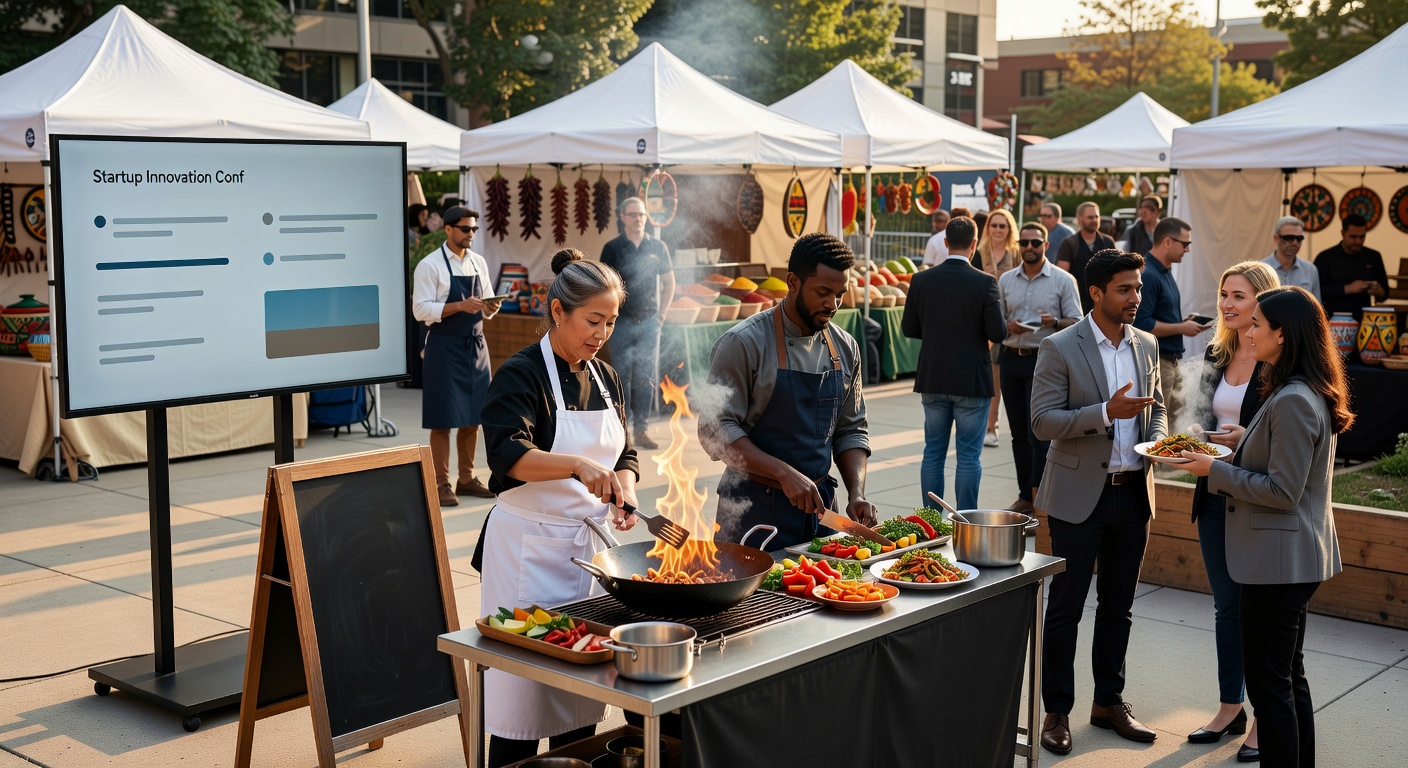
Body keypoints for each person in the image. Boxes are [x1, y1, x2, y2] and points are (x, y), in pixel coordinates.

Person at [476, 249, 640, 768]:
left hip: (585, 552)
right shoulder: (521, 374)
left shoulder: (608, 378)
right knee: (520, 698)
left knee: (578, 694)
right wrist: (575, 465)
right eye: (593, 321)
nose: (602, 334)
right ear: (557, 312)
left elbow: (626, 453)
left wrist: (625, 489)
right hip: (526, 550)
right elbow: (506, 455)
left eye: (611, 322)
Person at [1181, 285, 1353, 768]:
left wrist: (1213, 470)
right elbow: (1282, 462)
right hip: (1288, 558)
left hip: (1279, 562)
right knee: (1287, 676)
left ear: (1284, 333)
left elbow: (1282, 491)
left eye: (1258, 324)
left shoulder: (1294, 398)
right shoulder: (1295, 389)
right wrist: (1243, 441)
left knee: (1270, 686)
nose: (1249, 331)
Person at [1031, 249, 1167, 756]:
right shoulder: (1060, 347)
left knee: (1119, 607)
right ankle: (1057, 711)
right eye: (1125, 289)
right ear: (1096, 293)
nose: (1135, 298)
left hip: (1134, 494)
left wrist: (1158, 443)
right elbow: (1042, 422)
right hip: (1076, 497)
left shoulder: (1147, 344)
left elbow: (1158, 411)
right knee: (1066, 609)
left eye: (1137, 288)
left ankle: (1109, 702)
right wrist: (1104, 414)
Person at [699, 233, 876, 549]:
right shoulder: (743, 343)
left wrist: (856, 492)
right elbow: (714, 430)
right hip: (751, 512)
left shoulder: (846, 347)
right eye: (823, 293)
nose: (832, 305)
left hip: (822, 514)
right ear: (792, 282)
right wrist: (782, 472)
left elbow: (852, 429)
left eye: (840, 295)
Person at [1183, 261, 1280, 758]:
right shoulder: (1218, 352)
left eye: (1239, 296)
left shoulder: (1280, 358)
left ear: (1261, 300)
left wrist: (1242, 444)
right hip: (1215, 496)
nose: (1227, 305)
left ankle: (1265, 717)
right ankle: (1229, 705)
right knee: (1226, 609)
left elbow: (1281, 440)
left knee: (1258, 613)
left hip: (1256, 499)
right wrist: (1186, 442)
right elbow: (1200, 417)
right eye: (1224, 295)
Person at [902, 216, 1004, 510]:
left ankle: (932, 521)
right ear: (974, 245)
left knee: (933, 452)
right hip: (971, 378)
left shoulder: (921, 280)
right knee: (969, 456)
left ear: (945, 243)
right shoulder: (985, 282)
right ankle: (966, 519)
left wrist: (936, 334)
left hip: (933, 374)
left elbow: (909, 328)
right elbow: (998, 333)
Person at [412, 206, 502, 506]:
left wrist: (492, 307)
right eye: (465, 229)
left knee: (473, 417)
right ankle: (440, 483)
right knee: (442, 419)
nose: (471, 234)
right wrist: (459, 307)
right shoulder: (430, 265)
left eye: (474, 229)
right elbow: (420, 310)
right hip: (444, 347)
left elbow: (486, 300)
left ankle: (466, 479)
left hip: (475, 346)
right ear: (448, 229)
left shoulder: (478, 261)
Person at [997, 221, 1082, 513]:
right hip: (1012, 357)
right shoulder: (1006, 279)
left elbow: (1077, 322)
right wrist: (1005, 325)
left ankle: (1041, 495)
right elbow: (997, 321)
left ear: (1047, 245)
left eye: (1035, 242)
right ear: (1018, 246)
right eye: (1024, 243)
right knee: (1018, 433)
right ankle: (1025, 495)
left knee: (1040, 434)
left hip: (1044, 361)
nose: (1029, 248)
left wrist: (1053, 322)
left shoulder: (1062, 280)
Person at [600, 196, 675, 449]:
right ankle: (622, 431)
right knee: (621, 377)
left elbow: (669, 282)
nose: (638, 219)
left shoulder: (658, 247)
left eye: (642, 215)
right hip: (621, 323)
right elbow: (603, 287)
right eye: (633, 214)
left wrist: (661, 316)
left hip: (649, 322)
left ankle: (641, 429)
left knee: (646, 378)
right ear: (623, 217)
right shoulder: (612, 248)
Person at [1133, 217, 1208, 425]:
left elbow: (1157, 317)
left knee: (1174, 424)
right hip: (1159, 362)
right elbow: (1141, 324)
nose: (1187, 250)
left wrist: (1182, 323)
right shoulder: (1149, 275)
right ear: (1167, 241)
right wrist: (1182, 327)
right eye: (1185, 244)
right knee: (1159, 425)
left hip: (1171, 361)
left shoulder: (1162, 271)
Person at [973, 209, 1021, 448]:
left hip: (1014, 321)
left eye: (1003, 226)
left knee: (999, 376)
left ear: (1009, 229)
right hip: (985, 320)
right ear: (988, 228)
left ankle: (993, 425)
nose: (998, 230)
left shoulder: (1017, 253)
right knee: (990, 377)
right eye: (994, 226)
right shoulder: (979, 253)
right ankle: (987, 425)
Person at [1315, 213, 1388, 320]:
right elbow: (1316, 292)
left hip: (1365, 321)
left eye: (1362, 236)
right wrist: (1347, 289)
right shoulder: (1325, 258)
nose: (1358, 241)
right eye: (1353, 237)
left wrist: (1379, 292)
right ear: (1342, 233)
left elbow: (1385, 293)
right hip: (1331, 320)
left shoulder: (1373, 257)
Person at [1056, 202, 1116, 315]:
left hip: (1104, 305)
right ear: (1080, 219)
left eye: (1096, 216)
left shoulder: (1107, 242)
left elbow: (1117, 273)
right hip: (1077, 305)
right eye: (1090, 217)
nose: (1094, 220)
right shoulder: (1070, 244)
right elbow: (1062, 278)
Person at [1262, 216, 1320, 301]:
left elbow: (1317, 305)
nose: (1294, 242)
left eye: (1299, 238)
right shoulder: (1262, 269)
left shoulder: (1310, 270)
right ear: (1276, 239)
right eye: (1289, 238)